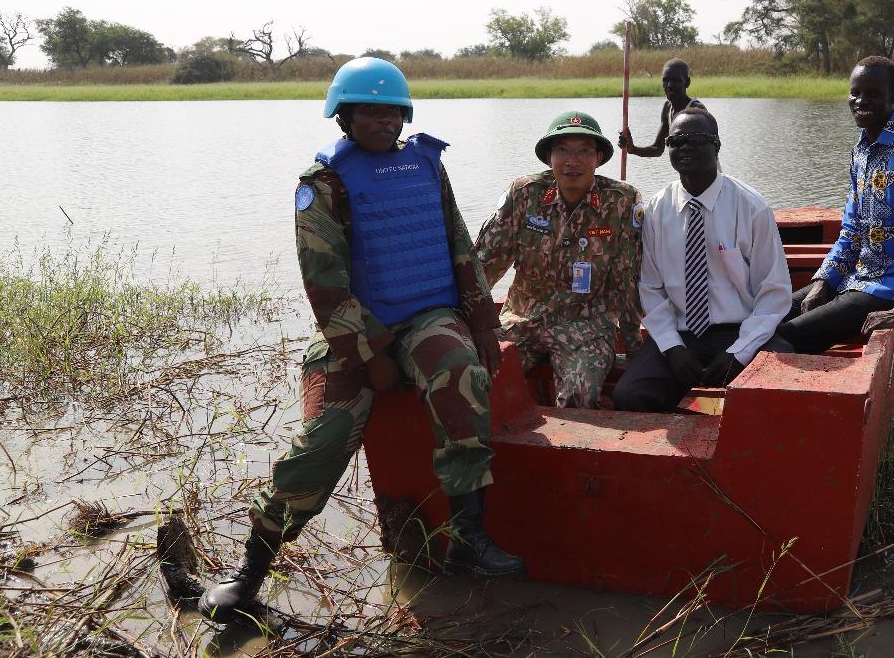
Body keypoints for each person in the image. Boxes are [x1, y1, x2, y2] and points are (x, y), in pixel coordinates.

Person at [199, 57, 524, 622]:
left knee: (460, 372)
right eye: (368, 112)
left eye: (391, 111)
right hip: (356, 329)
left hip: (428, 315)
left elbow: (459, 246)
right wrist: (369, 357)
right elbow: (323, 282)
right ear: (343, 117)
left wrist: (481, 325)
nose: (382, 121)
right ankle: (249, 572)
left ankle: (469, 536)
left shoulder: (428, 165)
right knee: (322, 442)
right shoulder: (322, 183)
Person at [611, 109, 793, 412]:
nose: (684, 147)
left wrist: (740, 351)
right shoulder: (656, 210)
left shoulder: (752, 207)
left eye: (695, 139)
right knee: (630, 396)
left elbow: (773, 293)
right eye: (676, 141)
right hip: (683, 333)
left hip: (742, 329)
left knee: (782, 384)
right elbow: (651, 289)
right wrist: (672, 346)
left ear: (716, 145)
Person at [777, 56, 894, 354]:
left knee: (785, 336)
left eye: (872, 94)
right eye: (855, 93)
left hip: (893, 287)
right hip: (856, 276)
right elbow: (851, 231)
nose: (861, 101)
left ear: (893, 96)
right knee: (767, 318)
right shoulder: (860, 151)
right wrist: (823, 281)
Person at [476, 111, 643, 409]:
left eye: (584, 151)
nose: (572, 161)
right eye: (563, 150)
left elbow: (626, 280)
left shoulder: (620, 201)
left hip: (587, 326)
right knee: (478, 376)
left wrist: (632, 348)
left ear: (598, 157)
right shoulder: (524, 194)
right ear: (549, 157)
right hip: (523, 319)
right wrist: (470, 325)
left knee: (581, 395)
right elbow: (484, 265)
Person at [616, 58, 708, 158]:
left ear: (687, 82)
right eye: (665, 80)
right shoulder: (667, 108)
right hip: (684, 167)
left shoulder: (696, 110)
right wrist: (632, 149)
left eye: (675, 80)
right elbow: (657, 149)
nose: (669, 85)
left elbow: (707, 151)